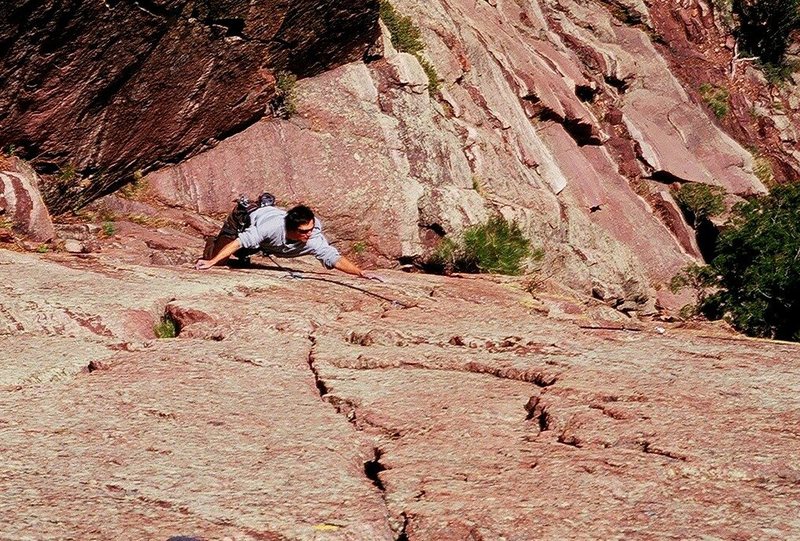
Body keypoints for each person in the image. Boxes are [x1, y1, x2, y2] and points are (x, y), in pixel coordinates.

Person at [195, 203, 377, 279]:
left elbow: (333, 257)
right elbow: (240, 241)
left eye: (311, 229)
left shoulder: (313, 237)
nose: (308, 234)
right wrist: (211, 262)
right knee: (222, 261)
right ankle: (214, 242)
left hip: (264, 237)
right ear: (290, 228)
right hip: (243, 219)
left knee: (249, 249)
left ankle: (246, 253)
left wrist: (360, 273)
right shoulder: (272, 228)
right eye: (303, 232)